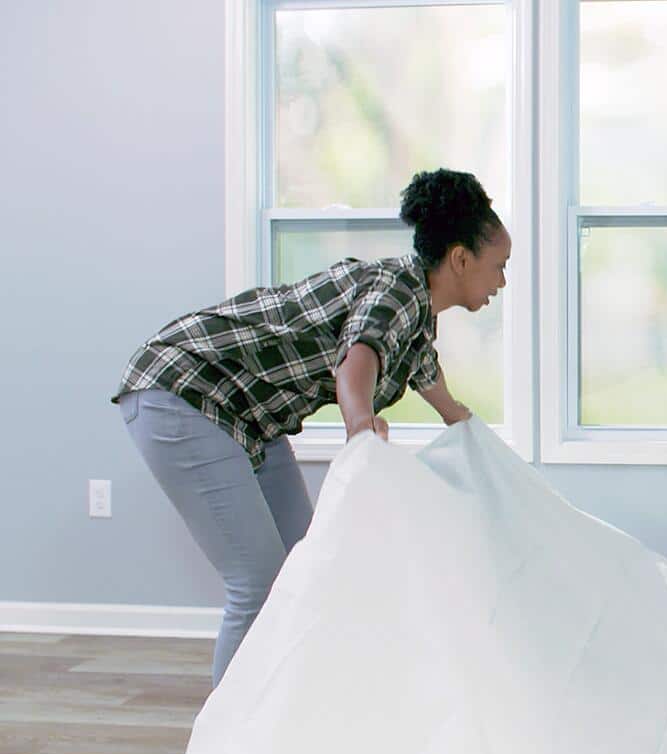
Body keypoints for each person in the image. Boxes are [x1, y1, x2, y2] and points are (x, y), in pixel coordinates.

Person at [111, 168, 511, 687]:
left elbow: (427, 378)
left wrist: (464, 425)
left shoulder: (413, 312)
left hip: (249, 416)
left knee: (301, 565)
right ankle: (228, 748)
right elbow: (357, 358)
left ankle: (279, 710)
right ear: (461, 259)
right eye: (499, 267)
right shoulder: (395, 292)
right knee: (255, 581)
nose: (501, 281)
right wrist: (360, 429)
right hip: (184, 388)